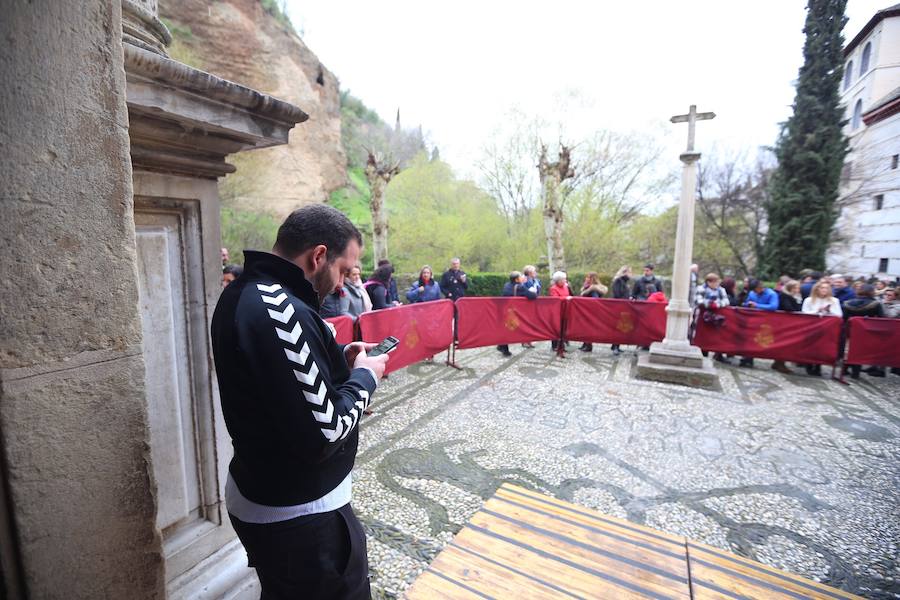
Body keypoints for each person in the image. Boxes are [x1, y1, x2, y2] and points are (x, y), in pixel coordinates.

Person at [210, 204, 389, 599]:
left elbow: (277, 385)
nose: (343, 285)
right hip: (303, 518)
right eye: (343, 270)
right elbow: (325, 434)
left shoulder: (245, 292)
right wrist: (365, 377)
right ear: (319, 255)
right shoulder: (280, 309)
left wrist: (337, 362)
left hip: (266, 496)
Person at [801, 280, 842, 376]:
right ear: (817, 289)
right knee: (811, 346)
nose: (824, 290)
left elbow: (839, 315)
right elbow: (804, 313)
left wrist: (829, 310)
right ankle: (808, 364)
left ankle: (818, 366)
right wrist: (817, 310)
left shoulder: (834, 301)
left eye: (827, 288)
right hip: (811, 327)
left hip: (826, 328)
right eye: (822, 288)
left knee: (822, 347)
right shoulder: (809, 300)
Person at [739, 279, 779, 367]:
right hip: (753, 320)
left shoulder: (771, 294)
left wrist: (757, 305)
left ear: (760, 287)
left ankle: (751, 356)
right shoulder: (752, 293)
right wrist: (747, 304)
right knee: (749, 338)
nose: (754, 292)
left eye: (755, 290)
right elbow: (747, 303)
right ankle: (747, 358)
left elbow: (773, 306)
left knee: (759, 340)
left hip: (766, 322)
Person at [497, 271, 537, 356]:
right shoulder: (520, 287)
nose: (522, 277)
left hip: (506, 310)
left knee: (506, 329)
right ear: (516, 279)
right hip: (516, 312)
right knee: (516, 329)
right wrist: (532, 291)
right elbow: (533, 296)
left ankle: (502, 346)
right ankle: (505, 348)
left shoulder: (506, 285)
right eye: (520, 277)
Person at [694, 273, 730, 364]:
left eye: (717, 282)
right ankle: (702, 354)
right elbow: (698, 300)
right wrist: (709, 304)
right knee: (703, 336)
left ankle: (718, 354)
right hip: (703, 318)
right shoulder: (701, 289)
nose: (717, 284)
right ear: (709, 282)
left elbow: (726, 301)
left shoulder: (721, 290)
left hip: (717, 318)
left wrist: (717, 304)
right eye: (715, 282)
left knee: (716, 335)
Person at [770, 280, 802, 374]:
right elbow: (788, 308)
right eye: (796, 288)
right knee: (782, 343)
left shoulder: (795, 297)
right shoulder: (785, 295)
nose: (797, 290)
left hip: (790, 324)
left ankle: (778, 362)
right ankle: (780, 363)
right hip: (783, 323)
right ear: (791, 288)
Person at [578, 272, 608, 352]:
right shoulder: (587, 287)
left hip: (590, 310)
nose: (586, 279)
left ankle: (588, 345)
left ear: (592, 279)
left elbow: (595, 299)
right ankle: (585, 343)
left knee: (588, 328)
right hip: (585, 310)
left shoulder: (593, 289)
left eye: (588, 277)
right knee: (584, 328)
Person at [610, 266, 632, 355]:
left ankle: (616, 346)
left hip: (624, 307)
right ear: (625, 272)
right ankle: (615, 346)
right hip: (619, 307)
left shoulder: (625, 282)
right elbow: (617, 294)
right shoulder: (618, 281)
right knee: (618, 327)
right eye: (630, 272)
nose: (631, 274)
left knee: (622, 327)